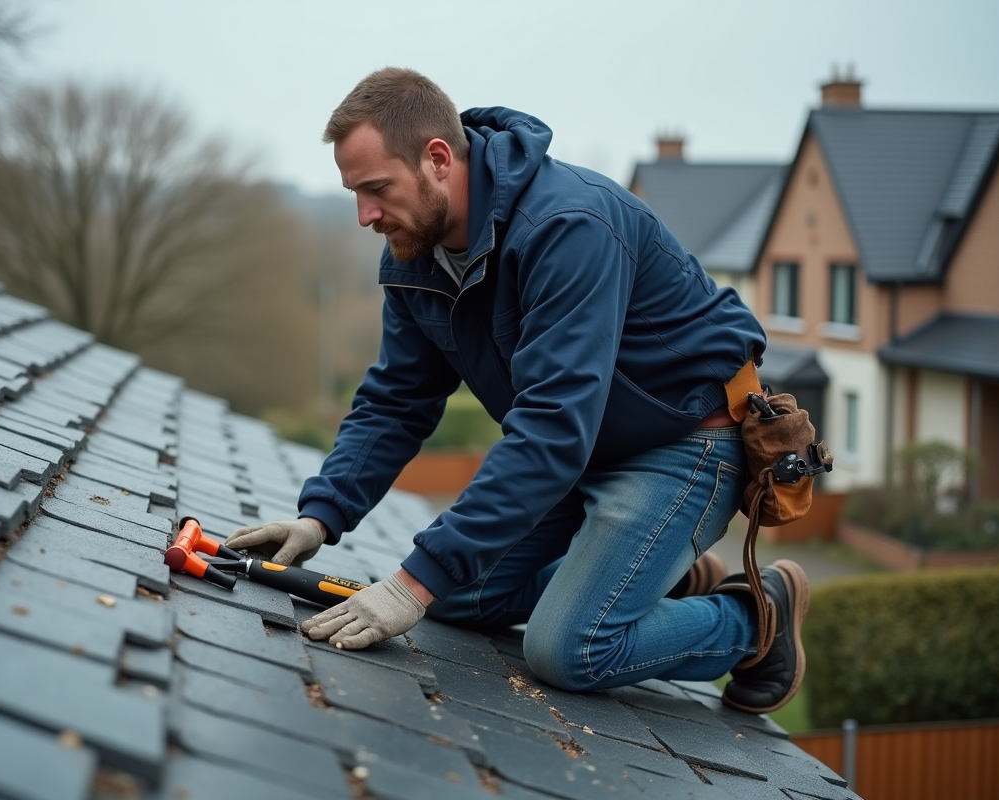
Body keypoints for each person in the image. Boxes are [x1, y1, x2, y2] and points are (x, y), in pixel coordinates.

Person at [227, 67, 808, 714]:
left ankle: (756, 618)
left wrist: (410, 584)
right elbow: (397, 399)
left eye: (377, 189)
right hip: (584, 447)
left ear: (438, 159)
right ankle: (651, 578)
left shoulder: (569, 227)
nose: (366, 216)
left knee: (570, 649)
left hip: (684, 441)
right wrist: (321, 516)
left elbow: (553, 428)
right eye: (355, 194)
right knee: (451, 595)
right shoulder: (413, 258)